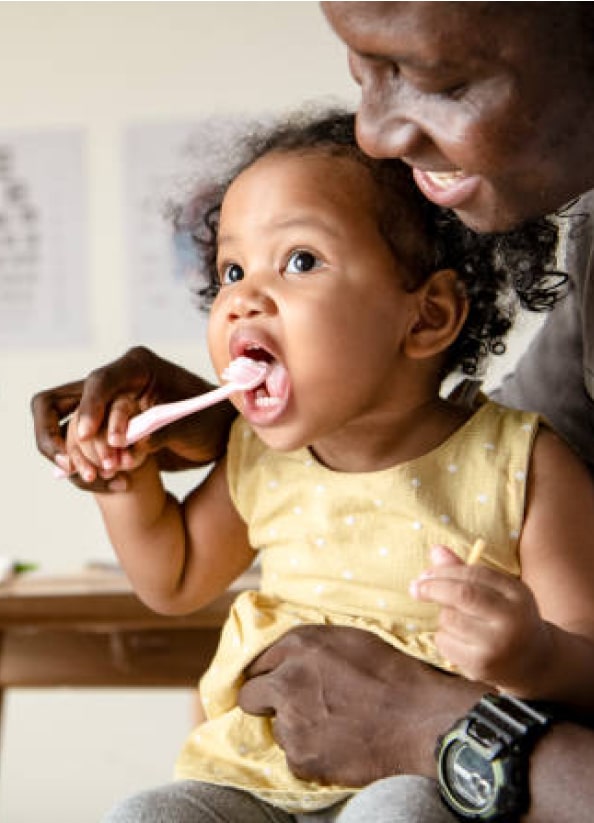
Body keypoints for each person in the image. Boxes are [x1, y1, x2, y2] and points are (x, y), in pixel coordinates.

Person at [30, 4, 594, 821]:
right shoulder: (263, 458)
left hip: (430, 782)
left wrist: (533, 654)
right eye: (228, 271)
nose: (244, 299)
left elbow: (585, 650)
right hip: (249, 780)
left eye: (299, 260)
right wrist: (126, 482)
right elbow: (176, 575)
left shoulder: (522, 465)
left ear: (427, 317)